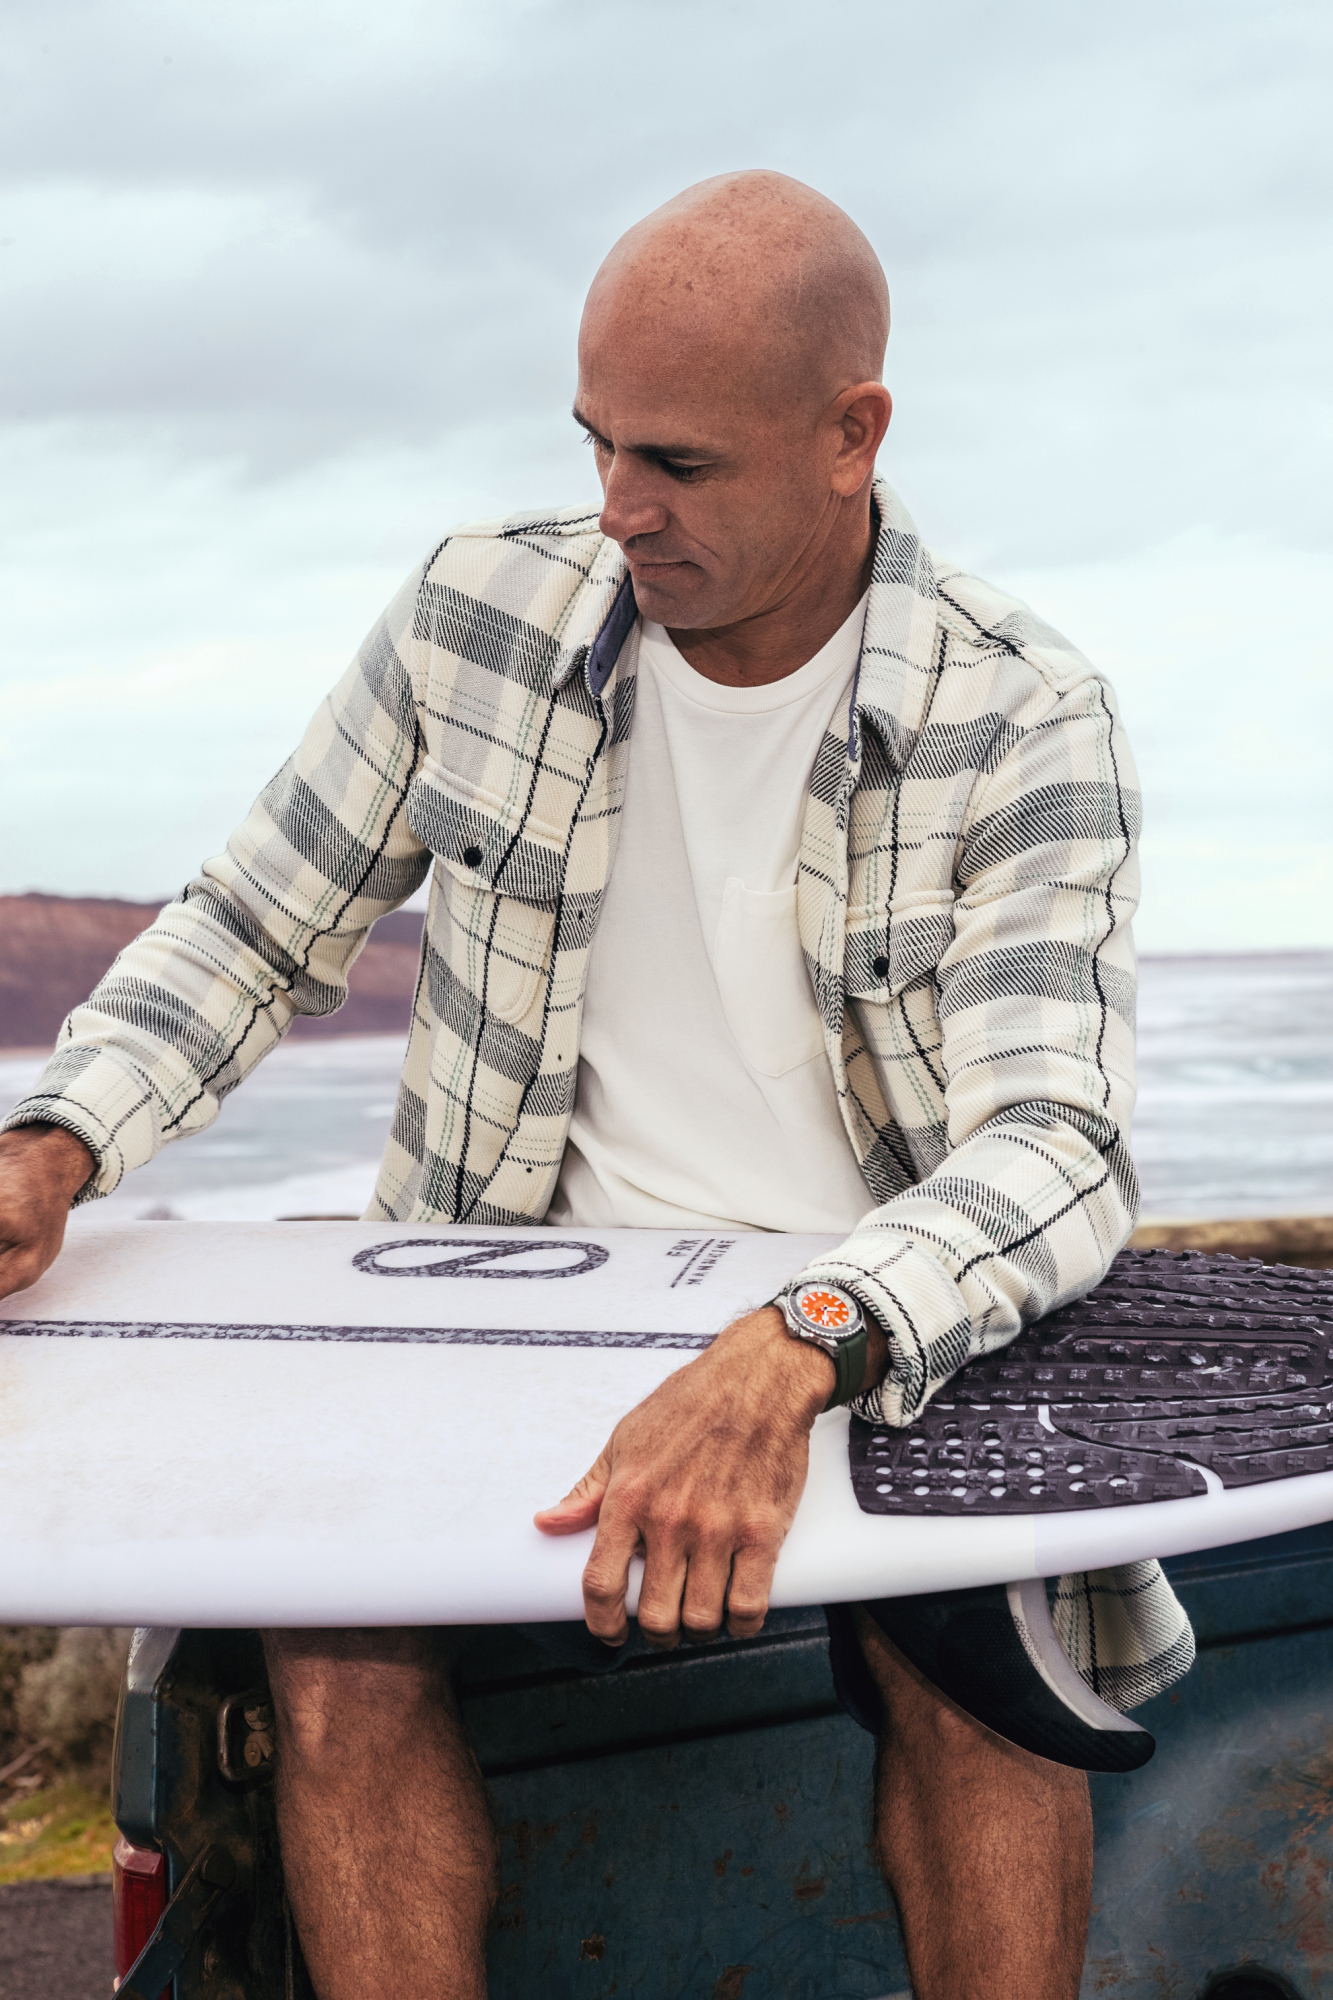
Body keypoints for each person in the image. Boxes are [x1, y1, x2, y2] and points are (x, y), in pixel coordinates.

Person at [0, 171, 1192, 1999]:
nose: (619, 508)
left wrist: (800, 1341)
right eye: (596, 444)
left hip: (849, 1324)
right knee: (338, 1652)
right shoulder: (478, 617)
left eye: (682, 466)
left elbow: (1052, 1143)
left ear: (850, 435)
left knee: (977, 1677)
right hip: (493, 1312)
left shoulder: (1021, 712)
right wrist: (56, 1139)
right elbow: (251, 921)